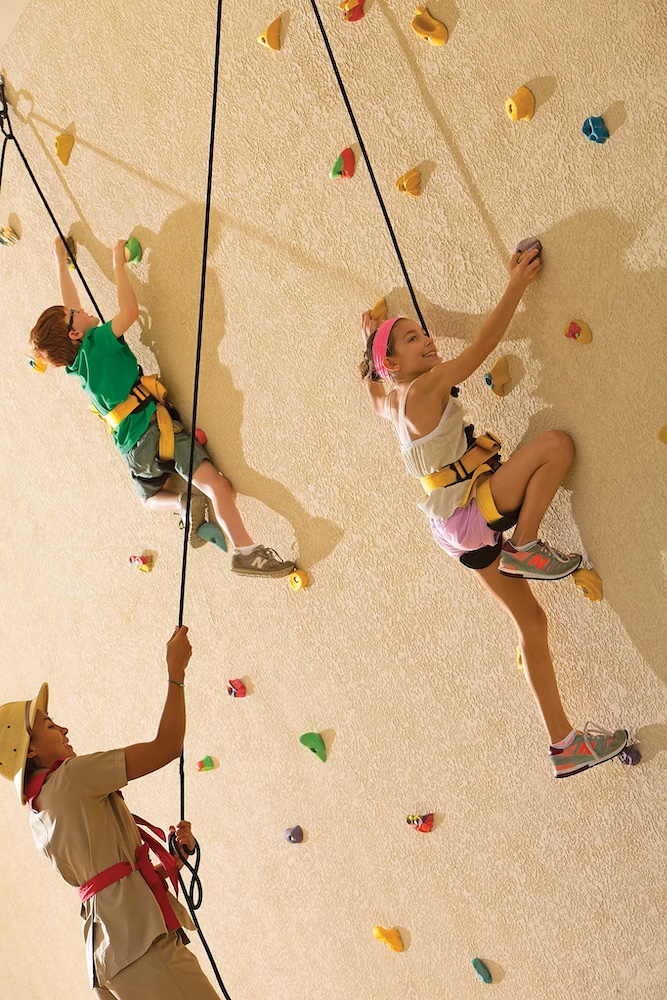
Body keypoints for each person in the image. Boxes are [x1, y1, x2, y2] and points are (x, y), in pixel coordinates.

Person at [359, 248, 629, 777]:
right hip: (470, 511)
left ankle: (563, 744)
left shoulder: (394, 401)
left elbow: (371, 393)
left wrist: (368, 344)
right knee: (556, 446)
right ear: (396, 362)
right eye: (413, 338)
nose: (428, 341)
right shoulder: (425, 388)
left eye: (422, 332)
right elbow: (483, 346)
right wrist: (516, 284)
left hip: (453, 528)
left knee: (531, 620)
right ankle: (524, 546)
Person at [29, 236, 294, 578]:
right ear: (75, 335)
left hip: (132, 452)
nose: (80, 309)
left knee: (147, 500)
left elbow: (68, 310)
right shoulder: (102, 341)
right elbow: (130, 312)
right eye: (75, 315)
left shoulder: (75, 364)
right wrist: (118, 265)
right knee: (218, 485)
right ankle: (245, 552)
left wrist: (61, 263)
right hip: (157, 430)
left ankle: (183, 502)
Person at [0, 625, 220, 998]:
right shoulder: (71, 778)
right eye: (50, 725)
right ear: (31, 751)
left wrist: (172, 860)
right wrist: (176, 675)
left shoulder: (39, 815)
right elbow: (167, 746)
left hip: (110, 960)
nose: (64, 728)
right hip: (144, 949)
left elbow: (109, 880)